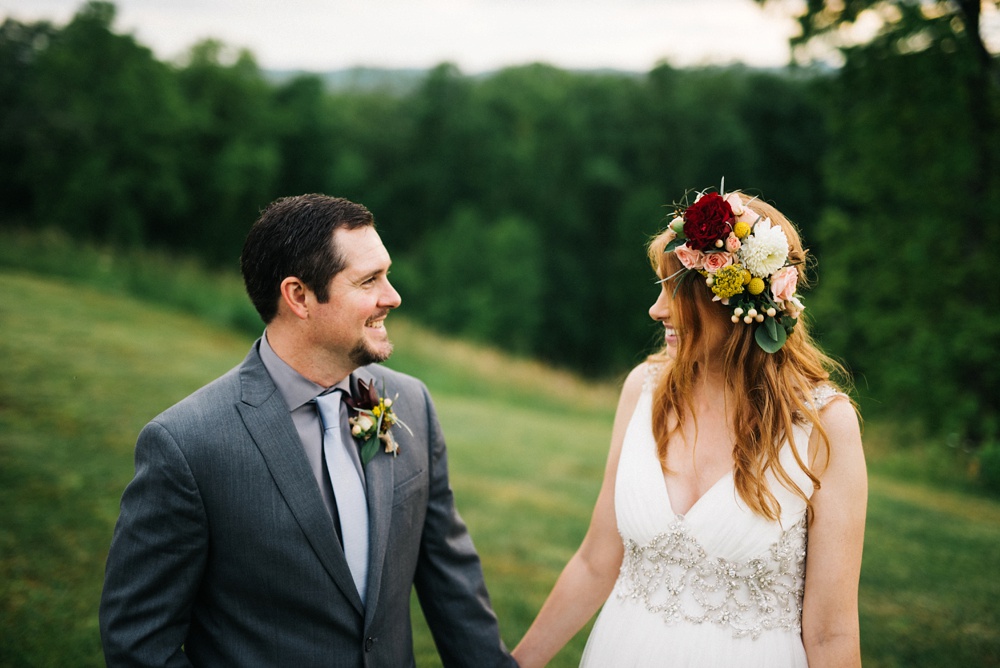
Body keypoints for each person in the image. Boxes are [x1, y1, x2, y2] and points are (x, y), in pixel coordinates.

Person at [99, 194, 516, 667]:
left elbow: (452, 582)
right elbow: (138, 642)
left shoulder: (412, 405)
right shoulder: (188, 445)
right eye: (369, 280)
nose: (393, 296)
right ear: (298, 296)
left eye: (387, 274)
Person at [512, 186, 867, 667]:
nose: (656, 310)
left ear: (733, 302)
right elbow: (597, 561)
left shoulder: (824, 425)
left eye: (675, 292)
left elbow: (831, 632)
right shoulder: (645, 390)